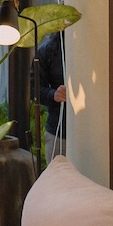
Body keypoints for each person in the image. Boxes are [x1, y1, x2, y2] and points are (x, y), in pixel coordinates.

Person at [34, 31, 67, 164]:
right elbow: (34, 89)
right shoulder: (48, 50)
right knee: (57, 182)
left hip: (93, 132)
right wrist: (54, 94)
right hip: (58, 132)